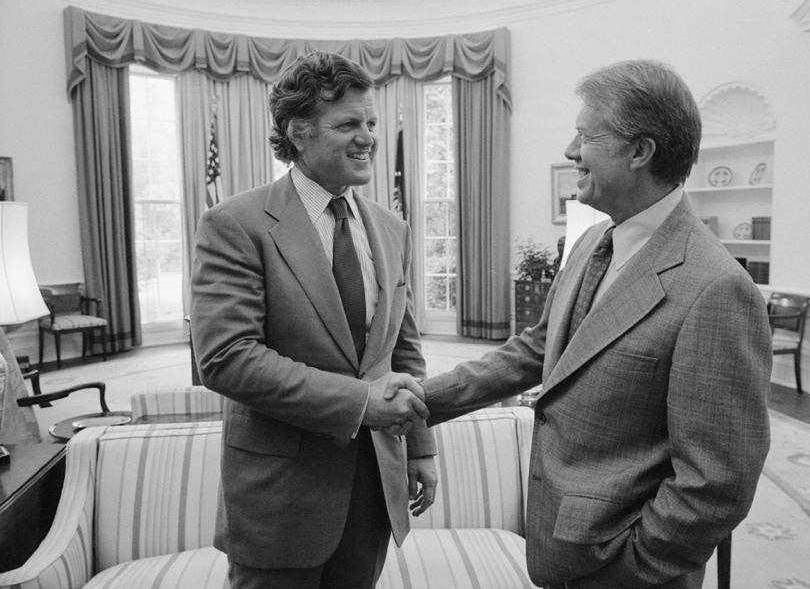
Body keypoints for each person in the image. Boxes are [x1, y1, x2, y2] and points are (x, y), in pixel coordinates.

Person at [420, 60, 772, 588]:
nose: (570, 150)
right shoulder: (590, 243)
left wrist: (637, 562)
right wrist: (423, 400)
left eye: (586, 135)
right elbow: (539, 352)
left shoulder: (716, 288)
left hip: (625, 570)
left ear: (639, 151)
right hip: (561, 551)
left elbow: (718, 479)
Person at [190, 51, 437, 589]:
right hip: (279, 501)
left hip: (375, 487)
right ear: (298, 133)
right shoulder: (236, 223)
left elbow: (403, 350)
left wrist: (420, 447)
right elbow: (226, 359)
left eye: (370, 122)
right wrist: (361, 403)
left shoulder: (392, 229)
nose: (367, 136)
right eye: (348, 124)